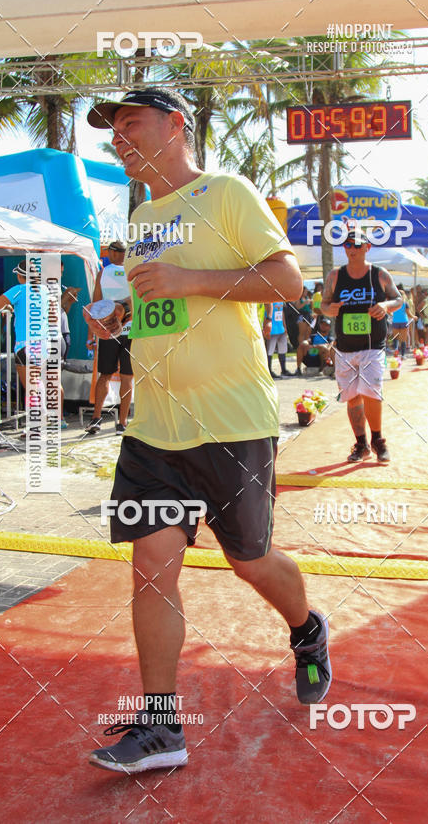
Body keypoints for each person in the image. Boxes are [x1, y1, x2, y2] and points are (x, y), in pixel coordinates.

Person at [85, 86, 331, 773]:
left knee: (249, 560)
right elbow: (162, 308)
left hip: (231, 422)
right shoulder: (142, 217)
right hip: (155, 429)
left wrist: (189, 277)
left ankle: (307, 628)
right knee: (151, 572)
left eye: (131, 124)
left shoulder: (227, 193)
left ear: (176, 126)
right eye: (113, 130)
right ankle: (162, 727)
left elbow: (288, 282)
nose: (119, 139)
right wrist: (122, 318)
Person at [320, 225, 402, 464]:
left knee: (372, 392)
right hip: (345, 347)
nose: (352, 249)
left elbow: (398, 298)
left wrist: (385, 306)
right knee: (353, 397)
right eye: (348, 245)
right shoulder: (335, 276)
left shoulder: (379, 274)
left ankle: (378, 441)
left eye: (357, 245)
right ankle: (361, 444)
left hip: (372, 345)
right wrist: (329, 308)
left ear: (368, 247)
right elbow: (324, 304)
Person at [0, 259, 64, 426]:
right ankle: (43, 416)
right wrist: (14, 308)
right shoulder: (45, 290)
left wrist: (9, 306)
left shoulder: (19, 290)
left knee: (31, 387)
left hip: (26, 344)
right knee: (37, 382)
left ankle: (36, 423)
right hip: (45, 342)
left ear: (20, 275)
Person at [85, 241, 134, 435]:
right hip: (130, 330)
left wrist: (91, 334)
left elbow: (95, 304)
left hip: (108, 331)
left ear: (112, 253)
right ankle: (122, 423)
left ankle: (96, 419)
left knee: (104, 375)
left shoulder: (102, 273)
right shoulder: (132, 272)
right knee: (127, 377)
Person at [390, 289, 412, 356]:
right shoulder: (405, 303)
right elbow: (409, 314)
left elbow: (388, 310)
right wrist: (413, 316)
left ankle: (396, 350)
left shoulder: (393, 303)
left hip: (395, 321)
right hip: (404, 321)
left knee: (396, 338)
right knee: (403, 339)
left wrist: (392, 315)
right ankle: (403, 355)